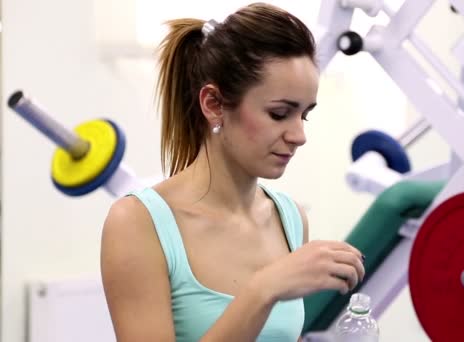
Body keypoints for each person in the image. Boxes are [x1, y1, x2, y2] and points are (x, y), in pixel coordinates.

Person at [100, 3, 365, 342]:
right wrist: (263, 289)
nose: (299, 135)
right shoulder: (137, 223)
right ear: (213, 104)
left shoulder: (290, 218)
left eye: (304, 115)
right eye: (279, 113)